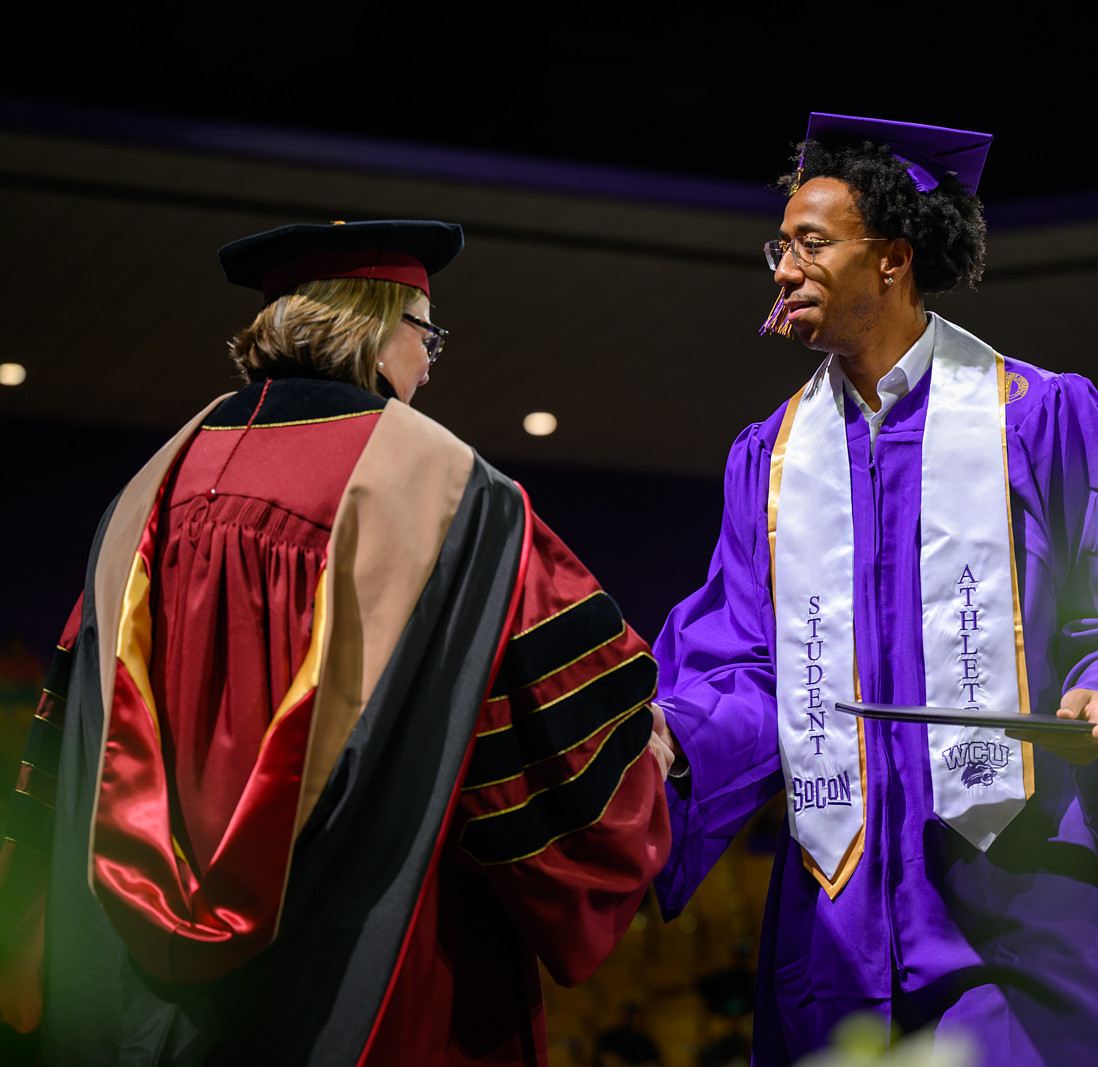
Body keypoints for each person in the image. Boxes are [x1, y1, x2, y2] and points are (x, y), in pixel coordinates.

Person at [0, 220, 672, 1065]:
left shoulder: (150, 489)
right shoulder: (450, 495)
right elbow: (548, 749)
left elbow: (65, 752)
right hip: (373, 978)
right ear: (381, 326)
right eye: (429, 337)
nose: (429, 364)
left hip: (136, 998)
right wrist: (654, 759)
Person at [649, 115, 1098, 1065]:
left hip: (1012, 898)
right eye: (779, 245)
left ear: (892, 260)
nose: (782, 268)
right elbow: (747, 664)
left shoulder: (1040, 417)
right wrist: (679, 733)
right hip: (836, 914)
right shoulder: (771, 460)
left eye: (811, 243)